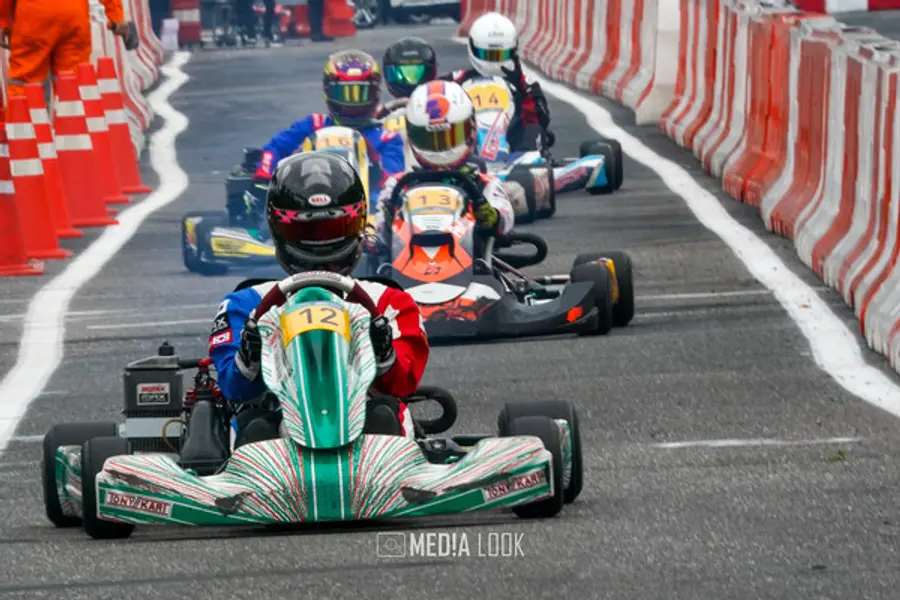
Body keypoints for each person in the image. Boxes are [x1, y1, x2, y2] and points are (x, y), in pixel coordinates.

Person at [210, 152, 429, 445]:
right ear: (279, 229)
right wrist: (249, 357)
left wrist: (383, 353)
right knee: (255, 426)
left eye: (334, 229)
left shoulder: (390, 302)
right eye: (306, 230)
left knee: (384, 415)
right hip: (277, 440)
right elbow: (234, 389)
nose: (321, 242)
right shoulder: (246, 304)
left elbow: (402, 385)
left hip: (366, 433)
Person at [248, 50, 404, 223]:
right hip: (302, 209)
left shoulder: (387, 139)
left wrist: (373, 166)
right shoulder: (313, 125)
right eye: (344, 94)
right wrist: (264, 176)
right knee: (258, 205)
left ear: (375, 93)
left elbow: (392, 184)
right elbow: (275, 148)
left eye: (360, 93)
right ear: (329, 92)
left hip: (363, 215)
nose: (352, 103)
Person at [372, 81, 514, 255]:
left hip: (474, 264)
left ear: (471, 129)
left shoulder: (483, 183)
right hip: (408, 263)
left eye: (449, 137)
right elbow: (378, 234)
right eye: (429, 139)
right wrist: (387, 221)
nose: (440, 149)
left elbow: (506, 221)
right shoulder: (398, 185)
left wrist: (492, 218)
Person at [439, 12, 554, 153]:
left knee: (534, 128)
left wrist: (520, 88)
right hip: (465, 151)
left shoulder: (526, 85)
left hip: (515, 153)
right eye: (487, 54)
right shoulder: (453, 82)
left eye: (501, 54)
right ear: (473, 47)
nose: (493, 61)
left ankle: (532, 162)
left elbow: (541, 121)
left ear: (513, 52)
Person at [0, 0, 132, 99]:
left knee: (25, 82)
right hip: (73, 15)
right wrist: (116, 16)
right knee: (72, 80)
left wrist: (3, 21)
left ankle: (24, 125)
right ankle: (74, 125)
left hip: (33, 17)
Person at [375, 37, 438, 120]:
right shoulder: (380, 115)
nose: (410, 83)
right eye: (402, 74)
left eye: (416, 73)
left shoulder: (444, 110)